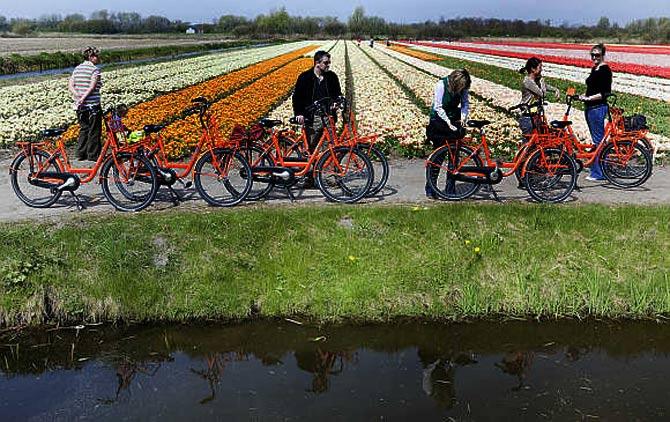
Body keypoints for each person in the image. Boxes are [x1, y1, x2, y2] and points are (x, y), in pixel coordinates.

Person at [425, 68, 471, 198]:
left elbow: (465, 103)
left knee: (454, 157)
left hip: (453, 117)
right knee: (438, 157)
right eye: (460, 87)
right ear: (455, 82)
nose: (462, 90)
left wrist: (463, 116)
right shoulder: (441, 85)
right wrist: (448, 123)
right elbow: (438, 107)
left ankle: (450, 189)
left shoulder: (463, 88)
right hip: (439, 119)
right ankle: (431, 188)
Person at [292, 50, 342, 153]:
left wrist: (336, 103)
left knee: (331, 147)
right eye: (325, 63)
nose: (328, 65)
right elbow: (297, 97)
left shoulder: (332, 77)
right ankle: (311, 167)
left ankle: (327, 168)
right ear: (317, 63)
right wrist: (299, 113)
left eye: (329, 62)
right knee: (311, 147)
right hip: (313, 117)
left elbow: (337, 94)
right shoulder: (305, 77)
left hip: (328, 116)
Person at [578, 43, 612, 181]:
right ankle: (598, 168)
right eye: (592, 55)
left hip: (598, 107)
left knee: (598, 140)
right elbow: (591, 88)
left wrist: (589, 98)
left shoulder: (605, 70)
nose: (594, 57)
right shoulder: (595, 69)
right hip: (590, 108)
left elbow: (604, 92)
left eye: (597, 55)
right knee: (596, 139)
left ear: (603, 55)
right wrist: (582, 96)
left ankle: (599, 173)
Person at [68, 46, 103, 161]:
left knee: (84, 128)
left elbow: (71, 86)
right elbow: (92, 87)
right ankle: (93, 155)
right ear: (91, 57)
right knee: (94, 130)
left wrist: (78, 97)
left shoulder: (77, 69)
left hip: (80, 106)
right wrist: (83, 97)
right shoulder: (95, 70)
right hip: (92, 105)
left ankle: (80, 154)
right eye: (96, 56)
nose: (98, 58)